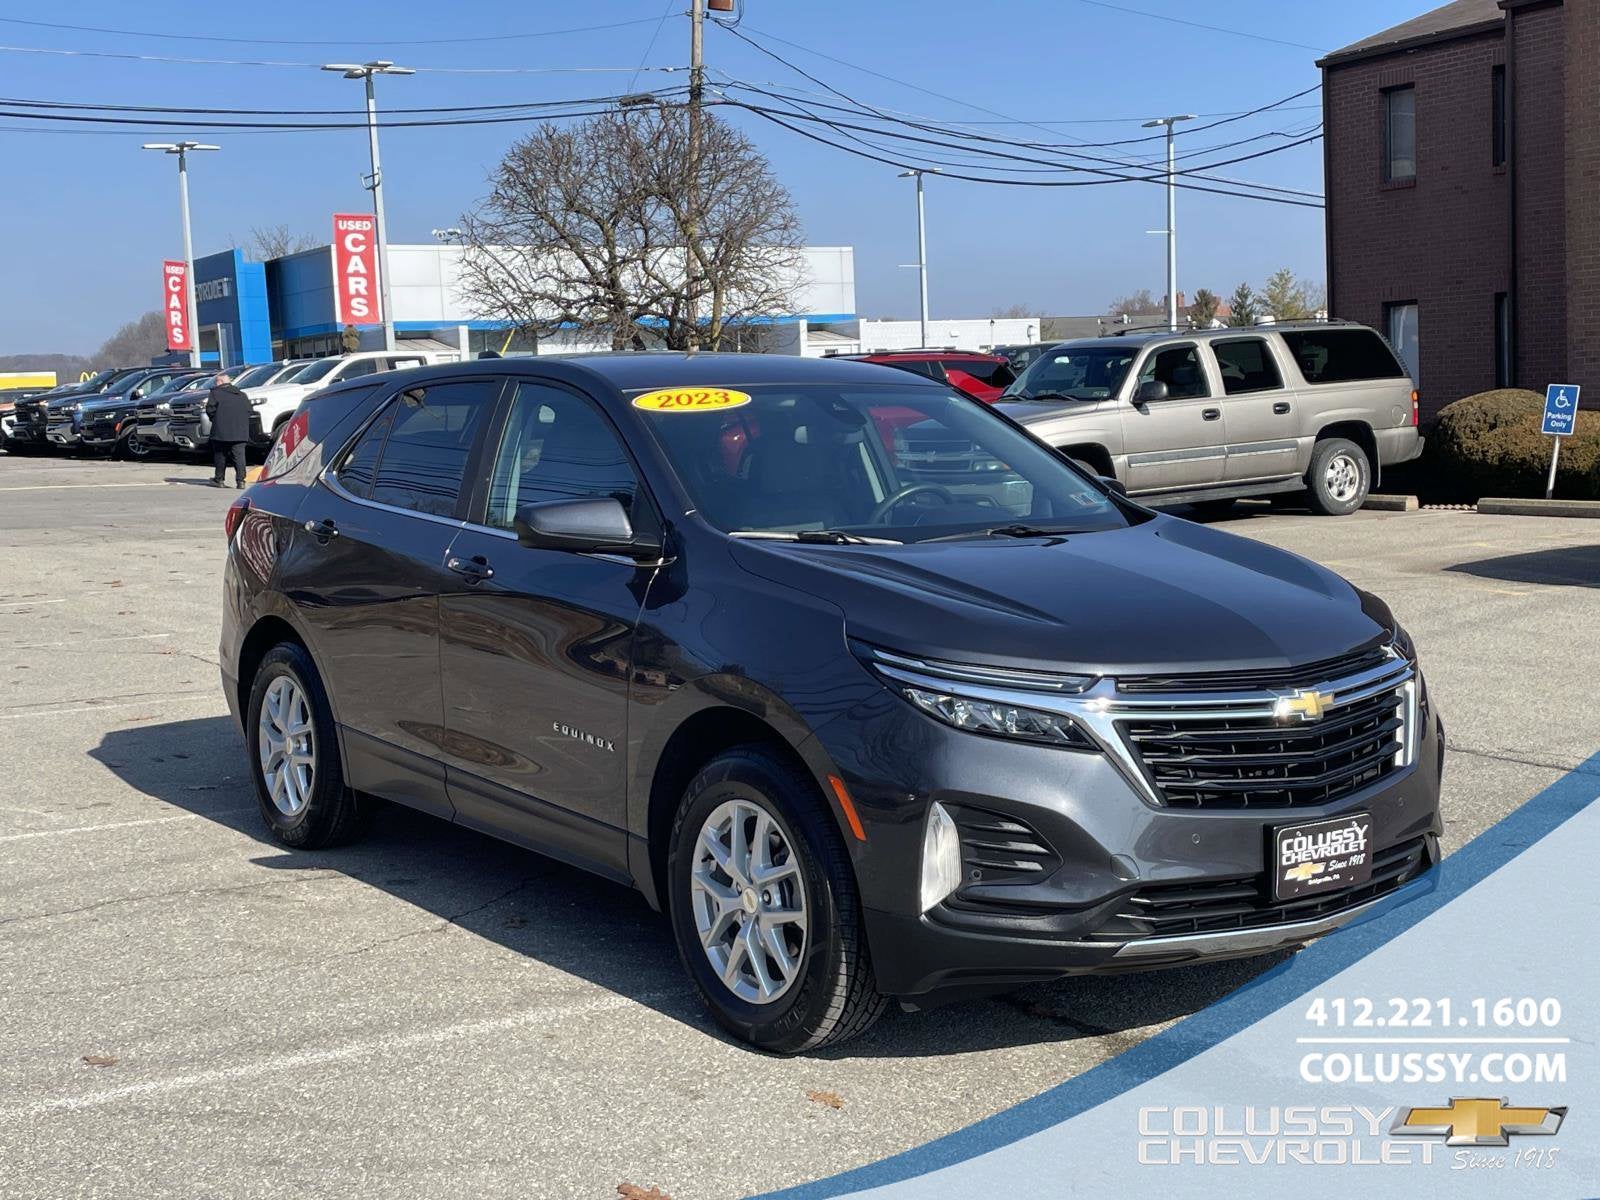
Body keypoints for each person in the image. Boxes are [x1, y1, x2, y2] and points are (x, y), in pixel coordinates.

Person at [205, 372, 251, 489]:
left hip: (221, 431)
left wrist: (216, 420)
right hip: (240, 431)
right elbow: (249, 410)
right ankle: (241, 481)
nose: (216, 383)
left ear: (220, 382)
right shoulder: (241, 394)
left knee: (221, 455)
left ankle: (219, 479)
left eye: (217, 381)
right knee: (239, 456)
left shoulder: (215, 393)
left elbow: (210, 410)